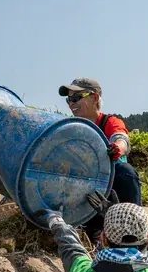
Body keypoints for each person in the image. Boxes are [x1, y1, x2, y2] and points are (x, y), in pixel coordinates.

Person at [58, 78, 141, 236]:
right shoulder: (71, 128)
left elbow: (121, 138)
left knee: (125, 171)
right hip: (85, 191)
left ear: (94, 97)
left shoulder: (110, 122)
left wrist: (118, 147)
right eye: (69, 99)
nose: (71, 103)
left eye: (76, 98)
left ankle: (135, 230)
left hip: (112, 188)